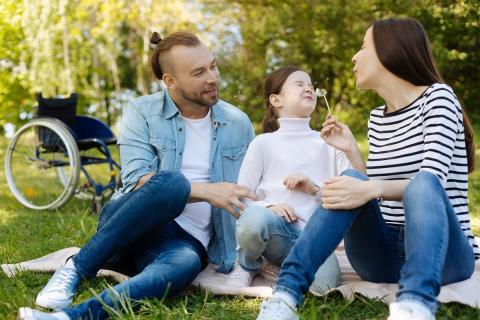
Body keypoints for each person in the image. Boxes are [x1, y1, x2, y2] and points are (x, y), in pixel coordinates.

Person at [18, 31, 256, 320]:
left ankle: (68, 317)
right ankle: (77, 267)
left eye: (213, 66)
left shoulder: (237, 122)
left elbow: (253, 185)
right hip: (127, 226)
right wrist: (208, 191)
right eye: (199, 72)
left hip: (186, 240)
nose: (212, 78)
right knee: (172, 183)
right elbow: (137, 178)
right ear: (171, 81)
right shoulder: (142, 111)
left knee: (183, 266)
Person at [256, 18, 478, 320]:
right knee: (350, 178)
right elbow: (374, 188)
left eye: (363, 47)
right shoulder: (377, 118)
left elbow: (432, 180)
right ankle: (285, 297)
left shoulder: (438, 97)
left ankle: (414, 307)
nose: (354, 57)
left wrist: (369, 187)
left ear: (391, 51)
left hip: (444, 255)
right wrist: (350, 150)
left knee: (422, 183)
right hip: (382, 257)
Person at [227, 66, 359, 292]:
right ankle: (248, 265)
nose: (308, 88)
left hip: (315, 238)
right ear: (276, 99)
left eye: (310, 84)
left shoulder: (329, 142)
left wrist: (313, 188)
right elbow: (243, 197)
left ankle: (280, 268)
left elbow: (356, 190)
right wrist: (269, 206)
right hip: (274, 231)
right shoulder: (263, 143)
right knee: (254, 219)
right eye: (299, 84)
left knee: (323, 287)